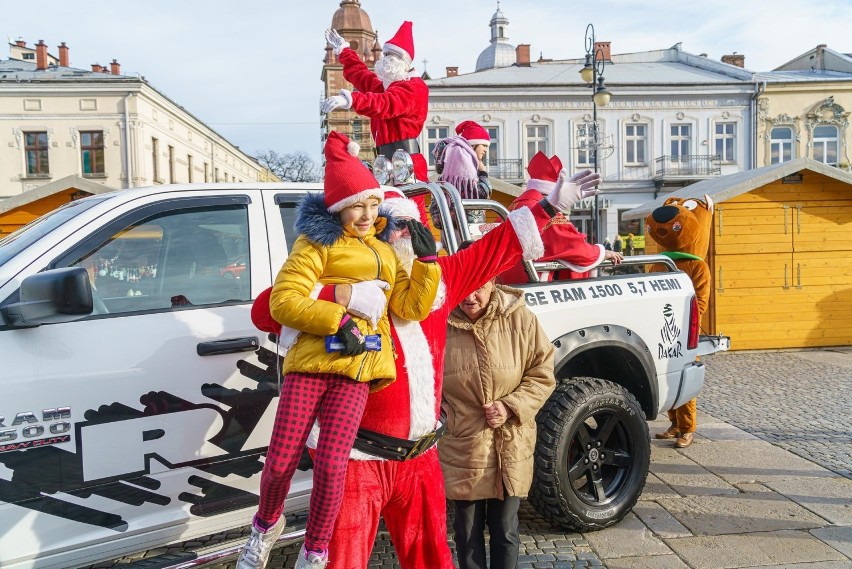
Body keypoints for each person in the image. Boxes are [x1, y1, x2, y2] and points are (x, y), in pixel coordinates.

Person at [250, 170, 602, 569]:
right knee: (342, 561)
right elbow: (266, 309)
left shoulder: (441, 279)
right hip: (357, 461)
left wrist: (549, 206)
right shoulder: (338, 266)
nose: (400, 235)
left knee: (431, 558)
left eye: (409, 227)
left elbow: (496, 247)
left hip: (421, 459)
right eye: (392, 225)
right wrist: (341, 293)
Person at [236, 131, 441, 569]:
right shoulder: (315, 244)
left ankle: (315, 551)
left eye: (372, 203)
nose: (367, 214)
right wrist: (341, 307)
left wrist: (427, 265)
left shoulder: (387, 252)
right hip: (312, 364)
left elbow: (409, 306)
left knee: (332, 467)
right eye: (357, 205)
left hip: (359, 369)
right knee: (280, 460)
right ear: (337, 207)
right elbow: (282, 302)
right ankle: (264, 526)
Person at [440, 262, 556, 569]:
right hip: (463, 444)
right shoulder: (438, 322)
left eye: (478, 286)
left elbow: (542, 373)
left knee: (506, 530)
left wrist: (510, 406)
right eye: (463, 287)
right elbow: (422, 379)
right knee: (466, 532)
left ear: (493, 281)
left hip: (510, 442)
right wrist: (443, 412)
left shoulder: (521, 317)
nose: (470, 296)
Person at [323, 22, 430, 222]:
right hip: (386, 163)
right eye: (385, 55)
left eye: (391, 56)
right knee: (387, 217)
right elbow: (363, 77)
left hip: (405, 163)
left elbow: (386, 103)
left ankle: (423, 253)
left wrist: (352, 100)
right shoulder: (389, 86)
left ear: (404, 61)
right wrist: (344, 51)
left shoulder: (414, 87)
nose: (385, 60)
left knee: (409, 218)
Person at [501, 152, 623, 284]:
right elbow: (572, 244)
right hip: (531, 285)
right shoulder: (546, 211)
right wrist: (602, 252)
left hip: (506, 280)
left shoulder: (515, 204)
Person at [432, 120, 492, 225]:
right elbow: (483, 194)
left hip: (448, 232)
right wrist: (483, 173)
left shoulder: (446, 171)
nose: (486, 150)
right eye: (484, 145)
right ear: (474, 144)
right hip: (469, 231)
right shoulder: (467, 167)